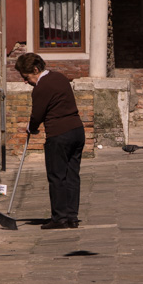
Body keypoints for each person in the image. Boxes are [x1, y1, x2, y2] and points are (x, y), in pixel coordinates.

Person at [15, 52, 85, 230]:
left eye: (26, 77)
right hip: (77, 131)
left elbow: (37, 114)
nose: (25, 81)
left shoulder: (41, 87)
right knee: (72, 175)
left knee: (57, 176)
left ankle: (60, 218)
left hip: (59, 135)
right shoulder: (60, 77)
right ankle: (72, 217)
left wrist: (31, 127)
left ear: (36, 70)